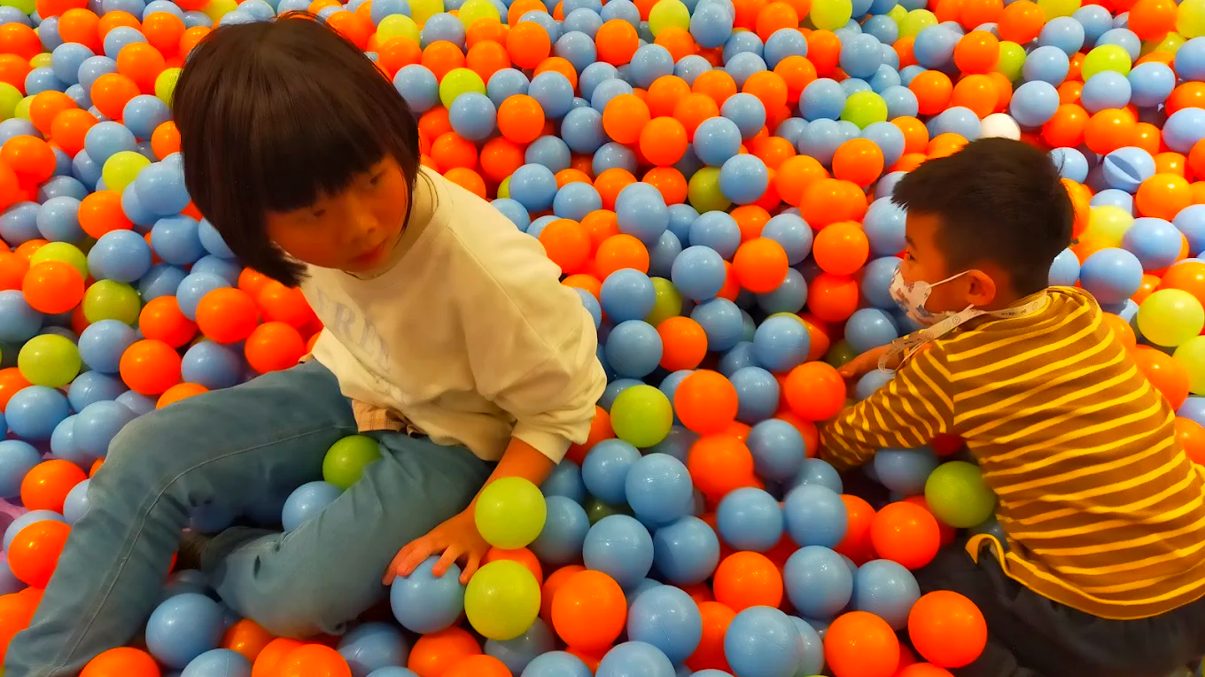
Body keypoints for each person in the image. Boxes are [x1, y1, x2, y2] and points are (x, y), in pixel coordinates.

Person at [7, 15, 605, 676]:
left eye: (374, 178)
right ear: (250, 220)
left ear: (396, 140)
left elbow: (563, 402)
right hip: (351, 378)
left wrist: (479, 519)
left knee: (299, 595)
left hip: (458, 433)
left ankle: (216, 549)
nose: (360, 224)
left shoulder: (485, 275)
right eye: (315, 214)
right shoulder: (281, 225)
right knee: (144, 452)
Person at [824, 137, 1205, 677]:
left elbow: (856, 435)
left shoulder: (952, 373)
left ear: (975, 286)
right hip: (1200, 579)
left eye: (911, 254)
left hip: (1109, 628)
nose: (902, 267)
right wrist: (896, 352)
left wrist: (813, 448)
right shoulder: (1080, 309)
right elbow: (977, 342)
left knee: (934, 580)